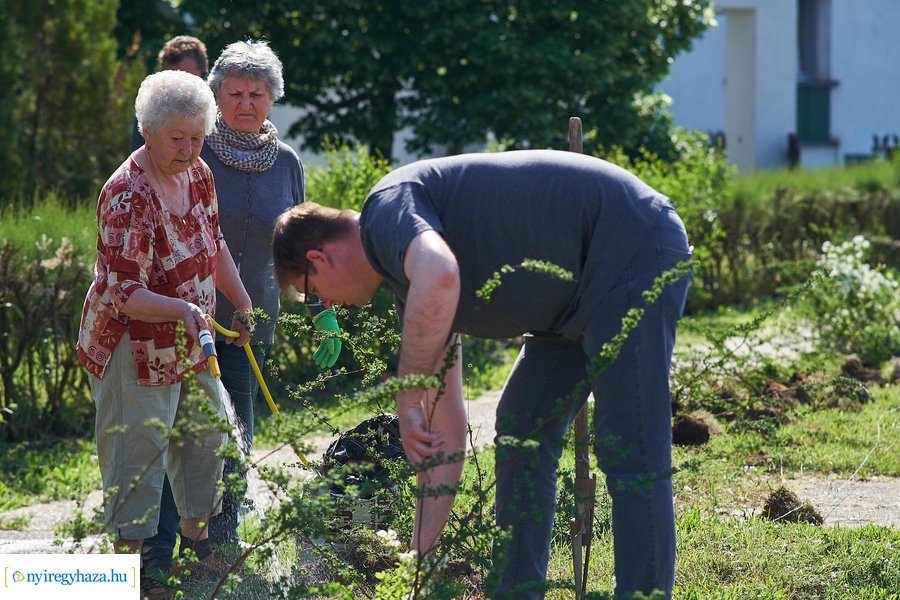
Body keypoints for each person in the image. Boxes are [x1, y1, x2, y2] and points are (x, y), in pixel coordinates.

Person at [271, 149, 692, 600]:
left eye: (309, 293)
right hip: (568, 305)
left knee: (632, 446)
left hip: (629, 249)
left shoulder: (387, 210)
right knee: (523, 427)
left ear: (320, 258)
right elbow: (445, 435)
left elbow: (441, 273)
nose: (324, 306)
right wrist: (419, 566)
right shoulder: (407, 281)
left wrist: (407, 396)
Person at [146, 39, 344, 564]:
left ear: (272, 99)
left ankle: (220, 544)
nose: (246, 104)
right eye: (234, 93)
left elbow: (300, 249)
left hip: (249, 326)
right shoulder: (194, 150)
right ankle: (159, 552)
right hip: (183, 323)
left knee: (234, 438)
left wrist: (322, 309)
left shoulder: (287, 163)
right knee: (179, 437)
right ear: (216, 95)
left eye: (257, 94)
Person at [77, 70, 253, 598]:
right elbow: (123, 293)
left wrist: (241, 300)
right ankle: (129, 582)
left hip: (188, 338)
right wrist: (182, 309)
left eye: (198, 137)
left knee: (207, 449)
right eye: (177, 137)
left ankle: (196, 570)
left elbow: (213, 243)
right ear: (147, 130)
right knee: (137, 467)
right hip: (131, 348)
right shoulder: (126, 194)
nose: (189, 149)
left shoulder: (199, 174)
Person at [131, 36, 210, 152]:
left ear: (204, 76)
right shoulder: (150, 109)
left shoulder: (223, 111)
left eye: (185, 79)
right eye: (171, 80)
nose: (179, 88)